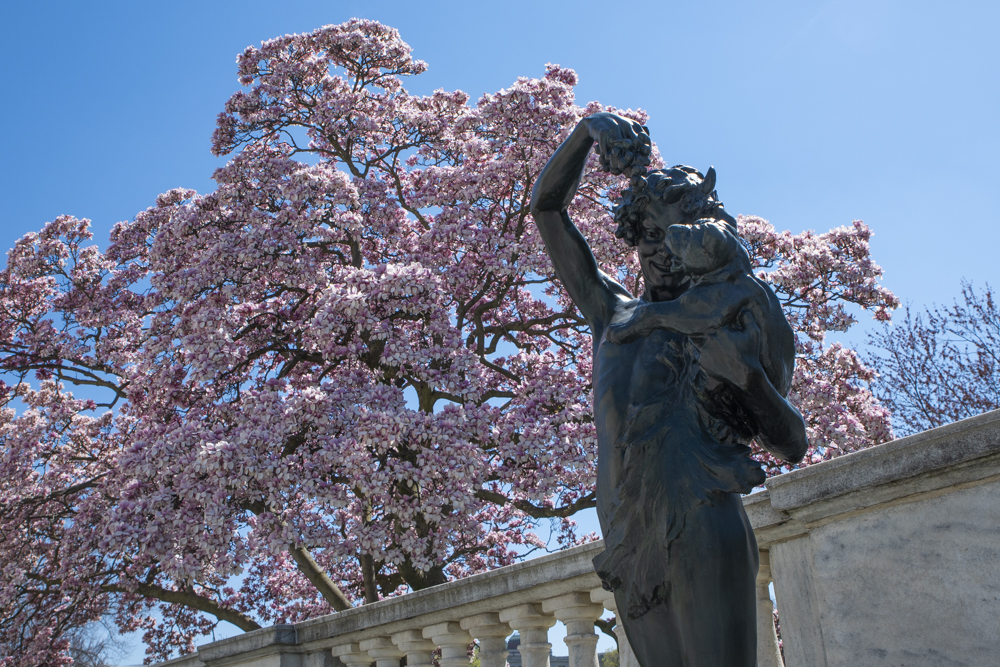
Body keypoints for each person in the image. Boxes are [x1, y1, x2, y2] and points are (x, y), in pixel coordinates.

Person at [529, 112, 808, 667]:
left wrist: (748, 377)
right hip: (628, 539)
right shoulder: (612, 315)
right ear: (635, 236)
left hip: (703, 524)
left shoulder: (739, 317)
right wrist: (588, 130)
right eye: (649, 234)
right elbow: (546, 208)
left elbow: (792, 443)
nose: (662, 251)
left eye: (674, 236)